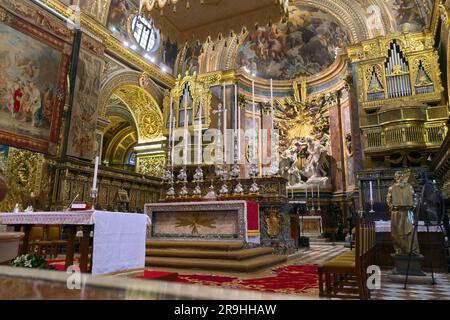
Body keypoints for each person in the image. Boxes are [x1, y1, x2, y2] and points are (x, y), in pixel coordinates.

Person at [387, 171, 420, 255]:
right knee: (396, 232)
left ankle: (412, 249)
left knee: (411, 231)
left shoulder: (409, 187)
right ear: (395, 178)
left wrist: (414, 205)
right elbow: (388, 200)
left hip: (408, 212)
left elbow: (415, 197)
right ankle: (399, 249)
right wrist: (392, 206)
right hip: (396, 212)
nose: (400, 178)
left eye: (401, 176)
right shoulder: (391, 188)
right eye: (398, 177)